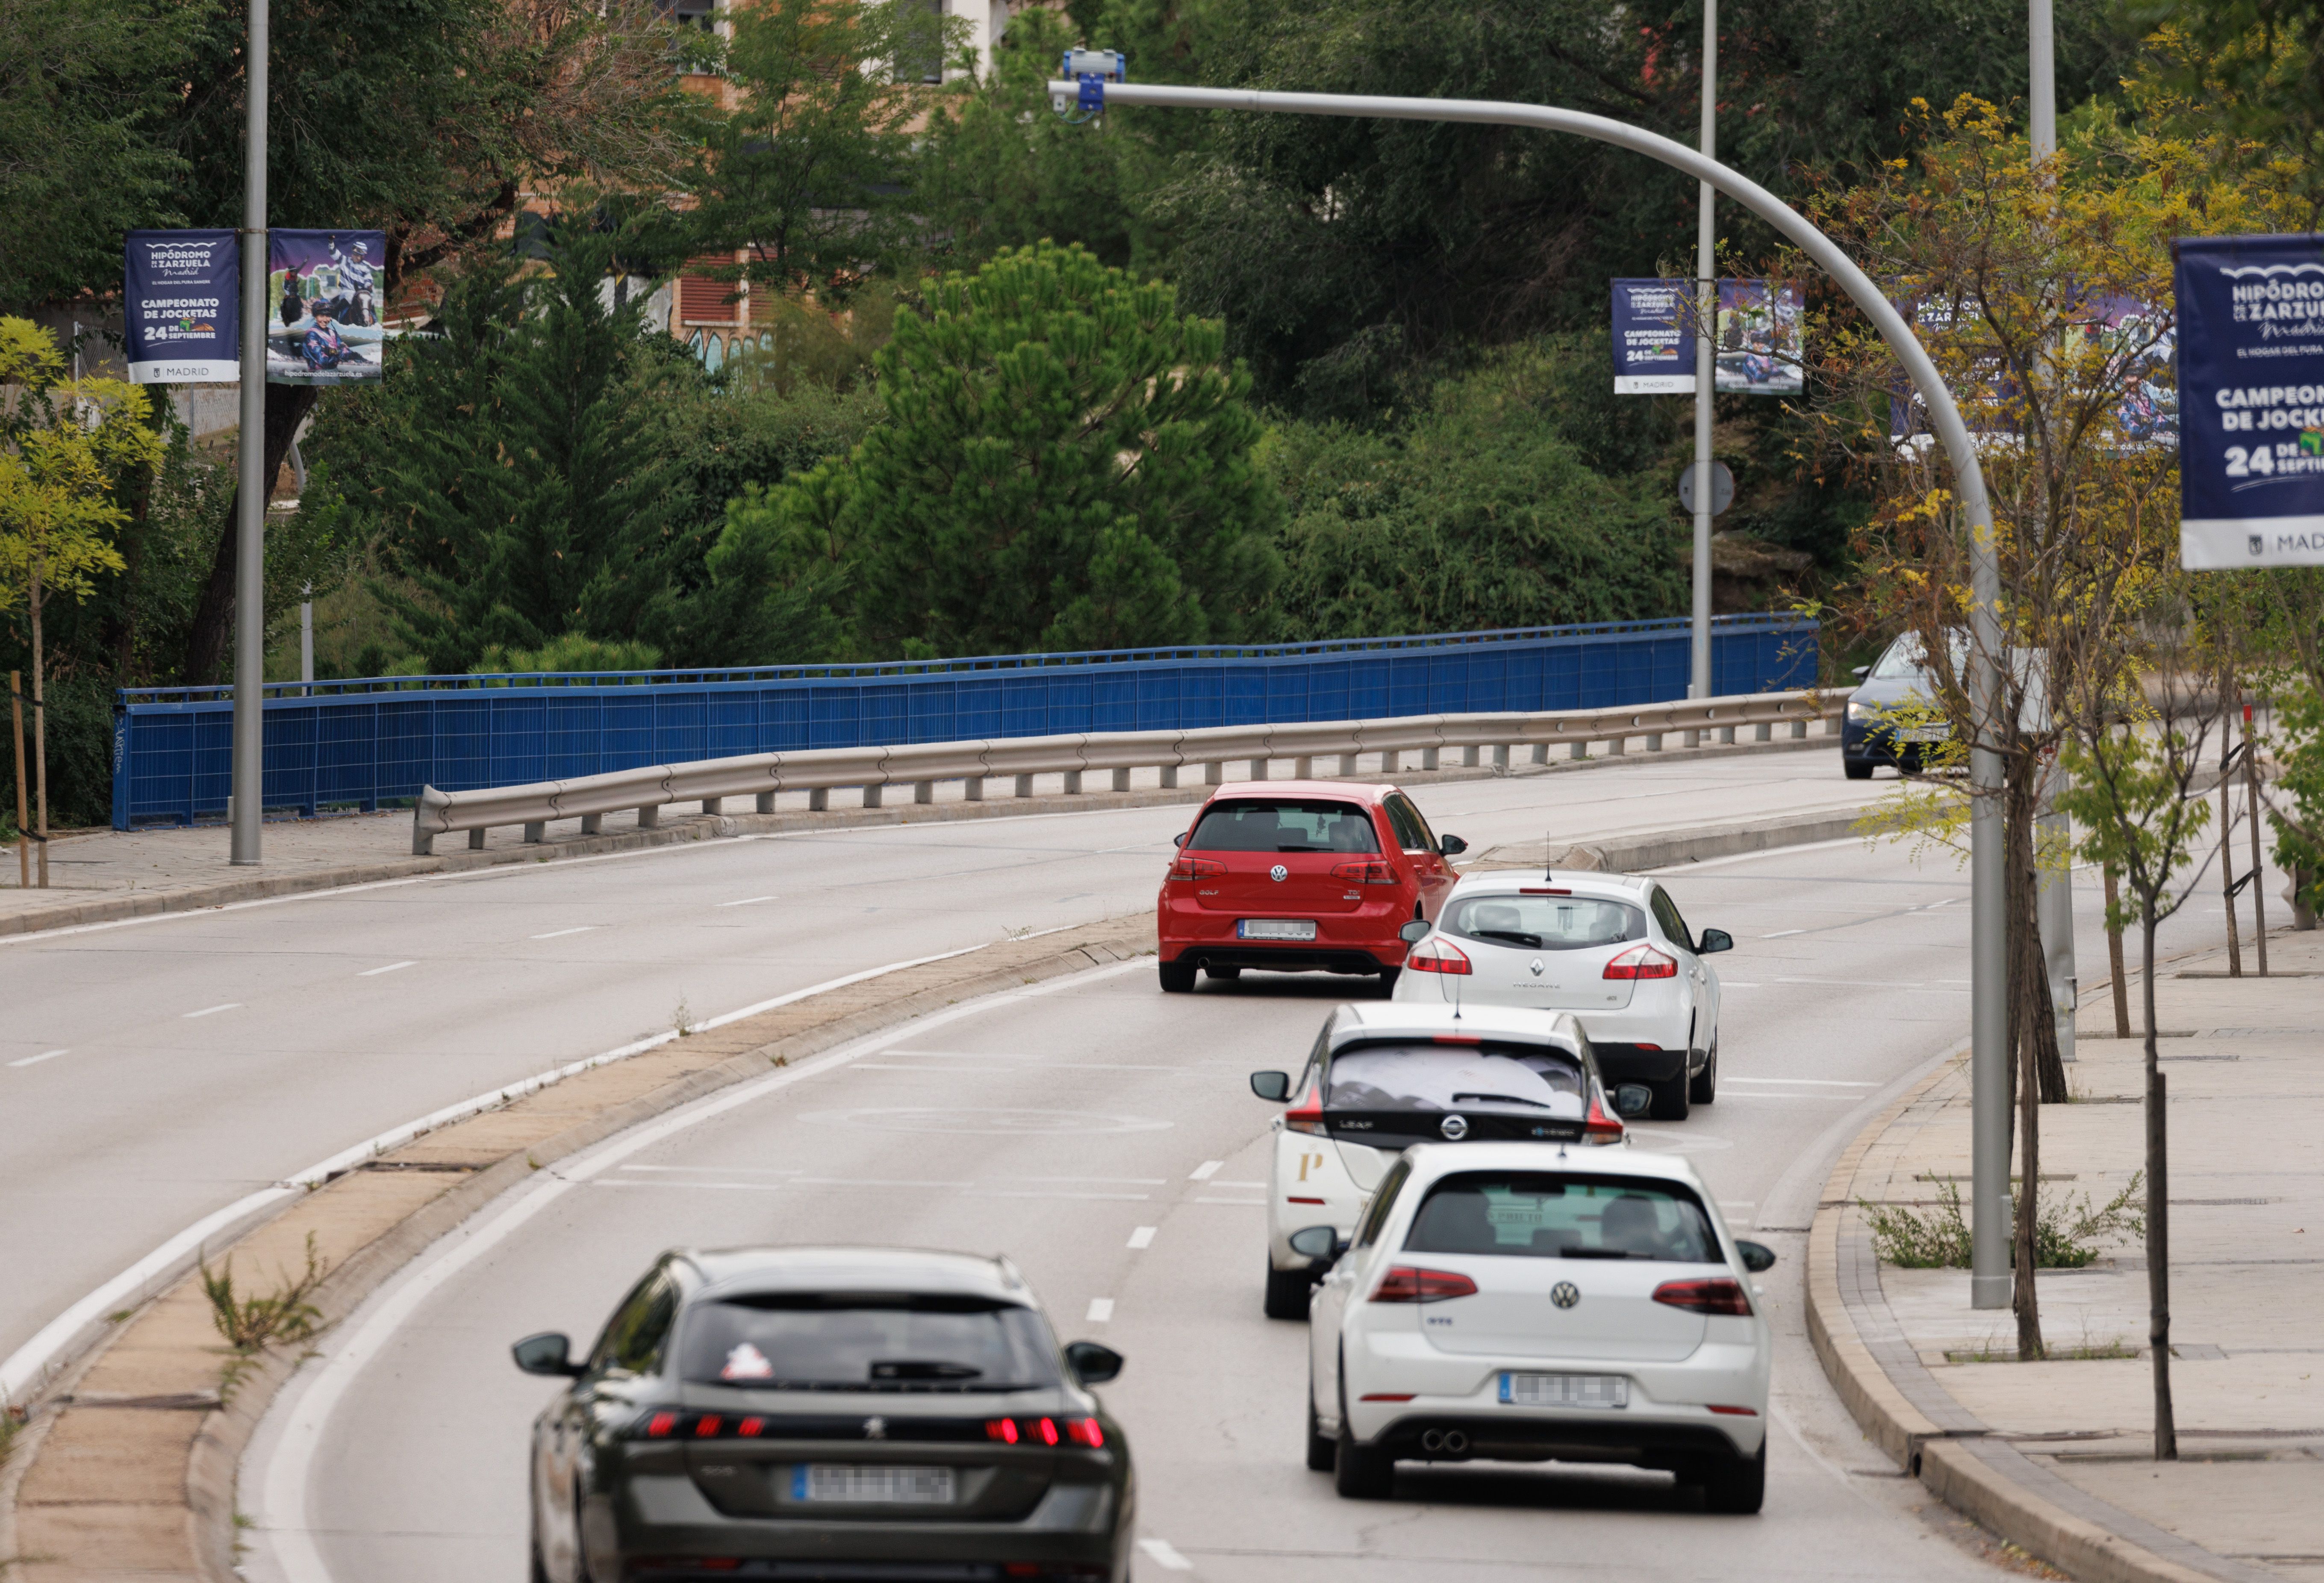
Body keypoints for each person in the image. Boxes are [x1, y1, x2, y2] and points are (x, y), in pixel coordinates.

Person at [329, 237, 377, 327]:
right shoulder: (344, 261)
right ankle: (335, 322)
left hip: (361, 292)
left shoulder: (366, 268)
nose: (356, 257)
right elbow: (334, 254)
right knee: (343, 301)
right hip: (347, 291)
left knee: (371, 303)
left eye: (358, 255)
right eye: (354, 254)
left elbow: (368, 280)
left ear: (363, 257)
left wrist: (369, 286)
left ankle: (375, 323)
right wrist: (331, 242)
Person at [300, 301, 358, 373]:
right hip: (319, 374)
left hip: (335, 373)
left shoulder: (333, 333)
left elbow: (348, 354)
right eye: (321, 316)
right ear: (315, 317)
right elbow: (322, 360)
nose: (325, 320)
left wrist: (330, 351)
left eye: (328, 316)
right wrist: (339, 351)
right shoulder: (312, 334)